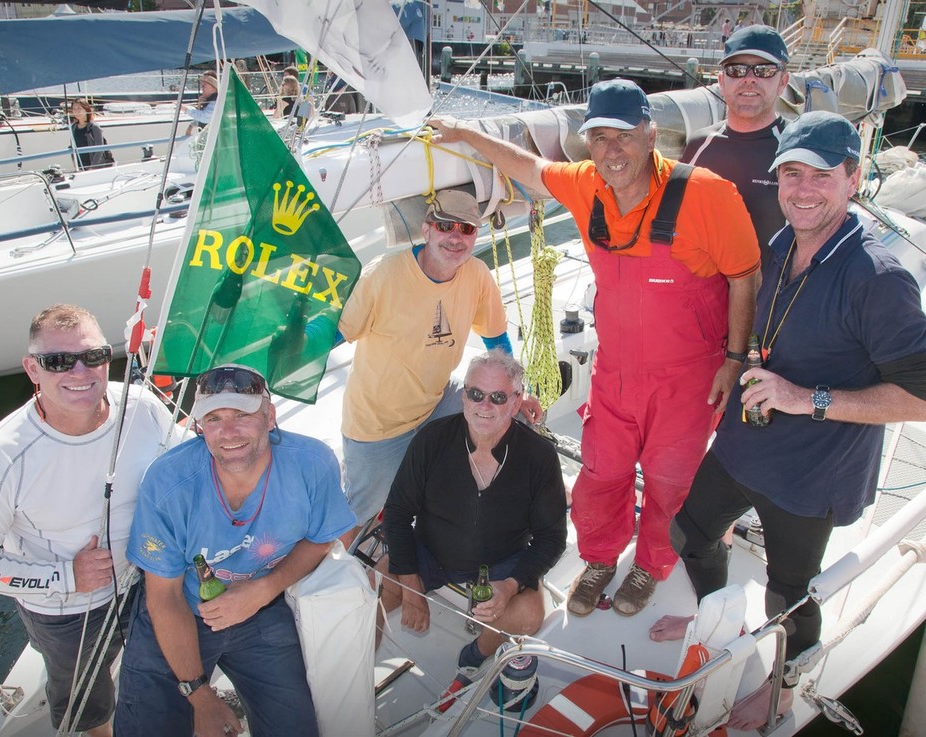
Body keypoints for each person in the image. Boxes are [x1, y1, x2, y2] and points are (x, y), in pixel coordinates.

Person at [430, 79, 760, 618]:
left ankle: (651, 568)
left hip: (688, 380)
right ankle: (601, 559)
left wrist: (734, 359)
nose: (611, 150)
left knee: (670, 482)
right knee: (600, 476)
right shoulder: (585, 184)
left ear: (651, 135)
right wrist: (466, 132)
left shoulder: (708, 194)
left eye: (624, 135)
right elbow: (529, 168)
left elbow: (745, 276)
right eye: (599, 138)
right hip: (616, 374)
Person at [649, 111, 926, 730]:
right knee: (691, 533)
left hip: (812, 475)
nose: (802, 189)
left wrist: (808, 398)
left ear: (853, 178)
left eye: (820, 176)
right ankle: (711, 621)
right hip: (744, 443)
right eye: (791, 174)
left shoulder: (878, 279)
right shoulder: (781, 241)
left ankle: (782, 682)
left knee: (790, 595)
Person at [0, 304, 179, 737]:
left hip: (147, 582)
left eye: (93, 356)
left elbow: (181, 470)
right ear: (33, 369)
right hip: (67, 610)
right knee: (90, 705)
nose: (80, 371)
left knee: (165, 672)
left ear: (109, 358)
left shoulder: (142, 407)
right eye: (57, 361)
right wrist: (64, 576)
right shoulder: (1, 458)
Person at [113, 364, 356, 737]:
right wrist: (200, 695)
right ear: (198, 427)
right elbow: (163, 597)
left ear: (269, 417)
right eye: (213, 418)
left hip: (261, 609)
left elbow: (322, 538)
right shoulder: (167, 483)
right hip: (183, 611)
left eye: (242, 415)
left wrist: (264, 590)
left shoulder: (312, 464)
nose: (228, 432)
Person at [337, 189, 542, 546]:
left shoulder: (477, 275)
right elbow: (337, 332)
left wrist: (514, 394)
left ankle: (477, 504)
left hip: (436, 401)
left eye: (466, 229)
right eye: (445, 225)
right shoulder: (383, 275)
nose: (455, 237)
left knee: (514, 419)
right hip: (377, 425)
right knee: (357, 517)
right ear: (426, 229)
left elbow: (496, 342)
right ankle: (329, 580)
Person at [379, 351, 566, 696]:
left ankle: (478, 652)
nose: (485, 406)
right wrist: (411, 588)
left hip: (501, 559)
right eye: (476, 394)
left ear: (515, 403)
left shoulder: (539, 458)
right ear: (464, 396)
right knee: (373, 587)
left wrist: (510, 586)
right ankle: (357, 666)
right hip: (432, 550)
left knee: (528, 616)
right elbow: (398, 512)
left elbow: (551, 538)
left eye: (498, 398)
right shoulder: (432, 440)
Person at [683, 25, 790, 269]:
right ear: (722, 81)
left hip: (770, 302)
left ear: (783, 81)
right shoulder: (699, 145)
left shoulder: (797, 149)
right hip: (706, 300)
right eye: (737, 70)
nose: (749, 79)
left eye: (764, 70)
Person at [70, 98, 112, 170]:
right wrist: (76, 166)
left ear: (86, 109)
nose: (77, 111)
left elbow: (100, 149)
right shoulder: (73, 127)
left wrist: (92, 167)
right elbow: (72, 147)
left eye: (79, 108)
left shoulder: (94, 127)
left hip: (95, 167)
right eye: (74, 109)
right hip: (81, 166)